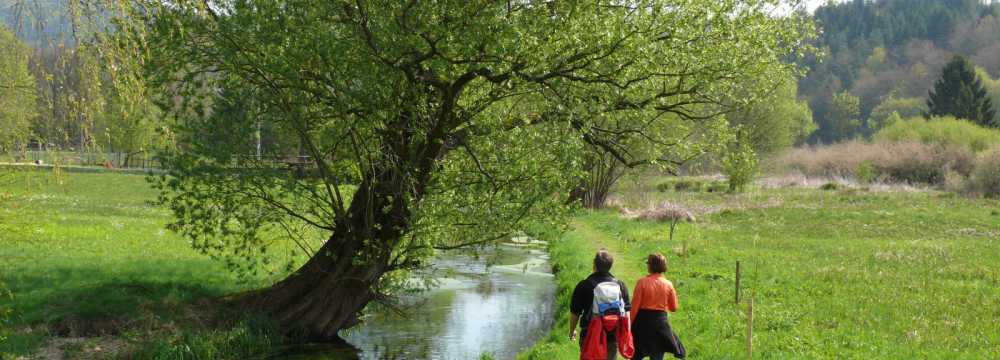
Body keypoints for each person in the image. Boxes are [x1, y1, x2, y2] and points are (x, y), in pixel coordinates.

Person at [569, 249, 632, 360]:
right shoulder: (620, 285)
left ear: (594, 265)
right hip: (612, 336)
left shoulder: (584, 285)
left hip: (589, 335)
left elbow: (575, 312)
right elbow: (626, 313)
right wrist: (626, 334)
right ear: (610, 266)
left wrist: (572, 330)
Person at [630, 253, 686, 360]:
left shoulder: (642, 282)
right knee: (657, 355)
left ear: (650, 266)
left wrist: (629, 325)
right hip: (660, 324)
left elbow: (634, 307)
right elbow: (674, 307)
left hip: (642, 323)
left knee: (636, 354)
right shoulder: (668, 284)